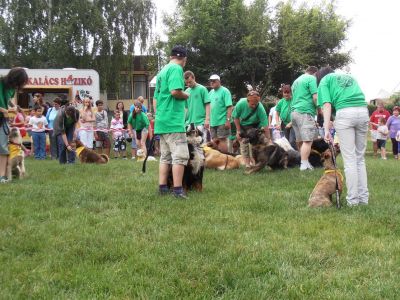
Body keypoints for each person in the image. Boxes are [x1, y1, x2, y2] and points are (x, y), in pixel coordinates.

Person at [317, 66, 369, 206]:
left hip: (345, 113)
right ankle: (364, 199)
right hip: (363, 112)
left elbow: (326, 105)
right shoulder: (349, 77)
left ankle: (353, 201)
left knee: (350, 160)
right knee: (359, 159)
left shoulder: (324, 81)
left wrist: (326, 126)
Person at [154, 45, 189, 198]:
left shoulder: (162, 72)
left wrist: (159, 115)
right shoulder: (176, 69)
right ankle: (178, 191)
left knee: (165, 157)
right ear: (184, 59)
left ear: (170, 57)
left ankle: (162, 188)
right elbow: (175, 92)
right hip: (173, 121)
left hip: (162, 121)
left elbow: (155, 99)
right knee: (180, 156)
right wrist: (186, 95)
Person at [0, 67, 28, 183]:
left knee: (3, 147)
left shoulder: (12, 88)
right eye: (19, 83)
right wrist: (3, 110)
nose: (18, 86)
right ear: (14, 79)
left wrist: (16, 107)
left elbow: (8, 100)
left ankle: (2, 176)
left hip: (3, 120)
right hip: (3, 116)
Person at [291, 66, 319, 170]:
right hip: (305, 111)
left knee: (300, 140)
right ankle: (304, 164)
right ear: (315, 73)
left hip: (294, 112)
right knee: (308, 140)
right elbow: (315, 97)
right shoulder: (312, 79)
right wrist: (319, 108)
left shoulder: (296, 81)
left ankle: (303, 161)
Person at [233, 90, 269, 168]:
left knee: (254, 145)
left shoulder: (260, 108)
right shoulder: (241, 103)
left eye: (256, 104)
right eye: (252, 104)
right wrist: (238, 131)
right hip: (243, 125)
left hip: (256, 126)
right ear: (247, 101)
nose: (254, 106)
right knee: (244, 144)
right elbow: (235, 117)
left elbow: (265, 124)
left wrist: (268, 138)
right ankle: (247, 164)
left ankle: (255, 163)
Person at [208, 74, 233, 153]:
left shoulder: (225, 91)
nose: (212, 82)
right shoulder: (210, 92)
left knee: (222, 140)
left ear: (219, 81)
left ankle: (224, 159)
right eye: (210, 81)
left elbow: (229, 107)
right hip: (212, 122)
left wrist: (228, 120)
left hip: (222, 121)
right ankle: (217, 159)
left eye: (214, 81)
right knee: (214, 141)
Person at [184, 70, 210, 142]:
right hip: (189, 123)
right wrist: (183, 120)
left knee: (203, 145)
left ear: (194, 78)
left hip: (201, 122)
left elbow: (207, 104)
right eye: (186, 83)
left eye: (190, 82)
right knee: (191, 147)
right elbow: (186, 108)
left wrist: (207, 120)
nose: (188, 84)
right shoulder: (186, 91)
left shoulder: (202, 89)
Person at [275, 84, 296, 148]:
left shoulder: (294, 100)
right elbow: (277, 113)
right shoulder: (281, 102)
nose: (286, 94)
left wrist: (291, 123)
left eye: (288, 92)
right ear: (283, 93)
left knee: (292, 141)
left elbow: (298, 113)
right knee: (285, 141)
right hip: (284, 124)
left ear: (291, 92)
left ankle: (296, 155)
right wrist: (278, 123)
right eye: (285, 93)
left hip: (294, 123)